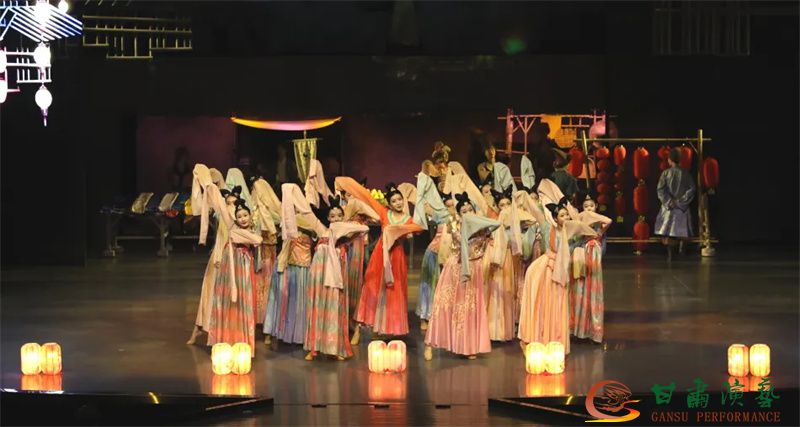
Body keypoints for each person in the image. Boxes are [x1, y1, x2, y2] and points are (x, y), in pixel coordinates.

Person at [283, 189, 369, 361]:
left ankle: (335, 348)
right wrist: (291, 192)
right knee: (317, 307)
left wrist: (343, 227)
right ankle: (313, 347)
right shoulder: (321, 230)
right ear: (328, 218)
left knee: (335, 308)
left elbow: (365, 228)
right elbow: (306, 213)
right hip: (319, 275)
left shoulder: (345, 236)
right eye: (333, 216)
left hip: (335, 277)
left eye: (339, 216)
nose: (336, 219)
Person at [335, 178, 422, 343]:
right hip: (380, 256)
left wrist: (405, 231)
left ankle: (385, 328)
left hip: (396, 258)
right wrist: (345, 183)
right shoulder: (384, 213)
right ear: (389, 203)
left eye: (400, 200)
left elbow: (419, 228)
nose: (398, 203)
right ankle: (359, 329)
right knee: (372, 289)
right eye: (394, 201)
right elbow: (366, 196)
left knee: (392, 292)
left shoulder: (408, 220)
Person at [516, 181, 596, 356]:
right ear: (555, 218)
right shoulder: (548, 227)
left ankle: (555, 339)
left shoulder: (572, 233)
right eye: (562, 215)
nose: (566, 218)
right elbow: (536, 212)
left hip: (561, 272)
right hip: (545, 270)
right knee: (544, 305)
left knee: (558, 306)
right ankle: (540, 337)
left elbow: (592, 232)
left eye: (567, 215)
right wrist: (527, 197)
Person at [424, 193, 499, 360]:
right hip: (456, 268)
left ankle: (467, 345)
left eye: (470, 209)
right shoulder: (455, 226)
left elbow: (497, 224)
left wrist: (481, 221)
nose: (468, 213)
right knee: (445, 306)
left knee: (469, 308)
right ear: (459, 214)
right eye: (464, 211)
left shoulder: (483, 227)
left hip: (475, 269)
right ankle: (430, 343)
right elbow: (462, 242)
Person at [570, 195, 612, 343]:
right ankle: (580, 329)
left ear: (596, 207)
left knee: (593, 290)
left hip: (594, 255)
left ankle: (594, 330)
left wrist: (592, 216)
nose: (588, 209)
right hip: (582, 254)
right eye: (586, 206)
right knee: (580, 290)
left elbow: (609, 220)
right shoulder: (580, 220)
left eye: (591, 206)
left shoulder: (600, 224)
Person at [655, 148, 696, 260]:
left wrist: (668, 202)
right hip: (682, 208)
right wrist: (681, 201)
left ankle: (670, 254)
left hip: (669, 208)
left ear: (669, 160)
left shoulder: (666, 173)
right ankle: (682, 251)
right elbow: (692, 189)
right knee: (682, 231)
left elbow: (660, 190)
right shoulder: (686, 173)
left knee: (668, 232)